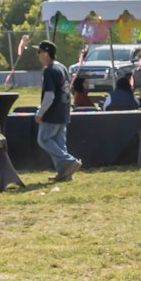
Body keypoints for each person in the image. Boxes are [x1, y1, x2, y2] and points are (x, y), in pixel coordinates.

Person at [34, 41, 81, 182]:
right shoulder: (62, 68)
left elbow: (49, 95)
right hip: (64, 111)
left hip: (52, 113)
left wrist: (40, 113)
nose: (38, 56)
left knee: (43, 139)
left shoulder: (49, 70)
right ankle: (64, 173)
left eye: (39, 52)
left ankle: (70, 161)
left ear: (46, 53)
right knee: (59, 144)